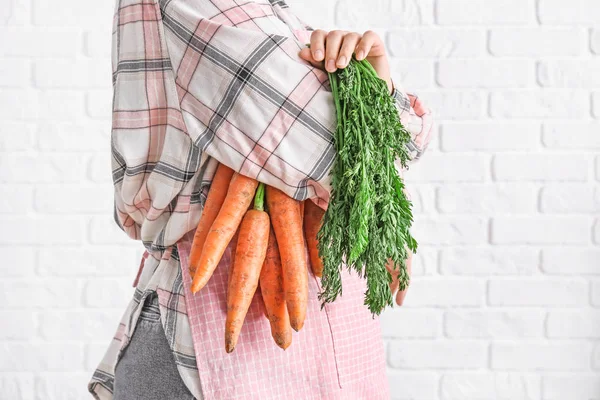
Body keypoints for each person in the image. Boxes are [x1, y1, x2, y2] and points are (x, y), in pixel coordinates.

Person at [88, 0, 433, 399]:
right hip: (203, 343)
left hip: (322, 346)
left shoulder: (275, 15)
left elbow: (368, 151)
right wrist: (371, 85)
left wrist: (368, 81)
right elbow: (340, 144)